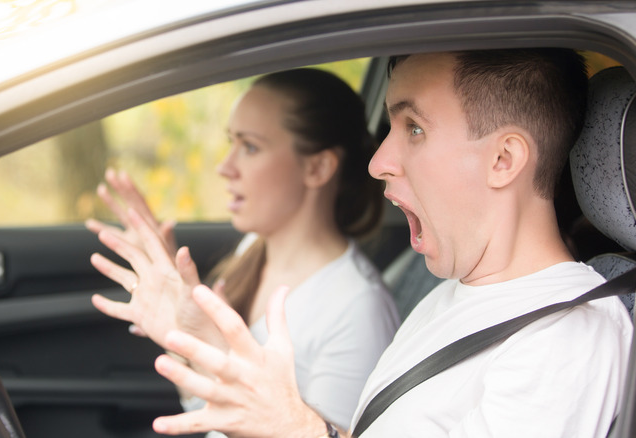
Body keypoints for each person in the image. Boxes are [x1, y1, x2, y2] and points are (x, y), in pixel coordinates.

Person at [147, 49, 634, 438]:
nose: (378, 160)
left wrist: (297, 431)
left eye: (414, 128)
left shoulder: (564, 339)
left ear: (504, 160)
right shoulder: (457, 289)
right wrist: (209, 349)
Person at [86, 68, 401, 431]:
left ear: (317, 167)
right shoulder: (255, 248)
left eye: (249, 146)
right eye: (230, 142)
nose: (225, 167)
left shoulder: (358, 311)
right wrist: (179, 327)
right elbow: (209, 412)